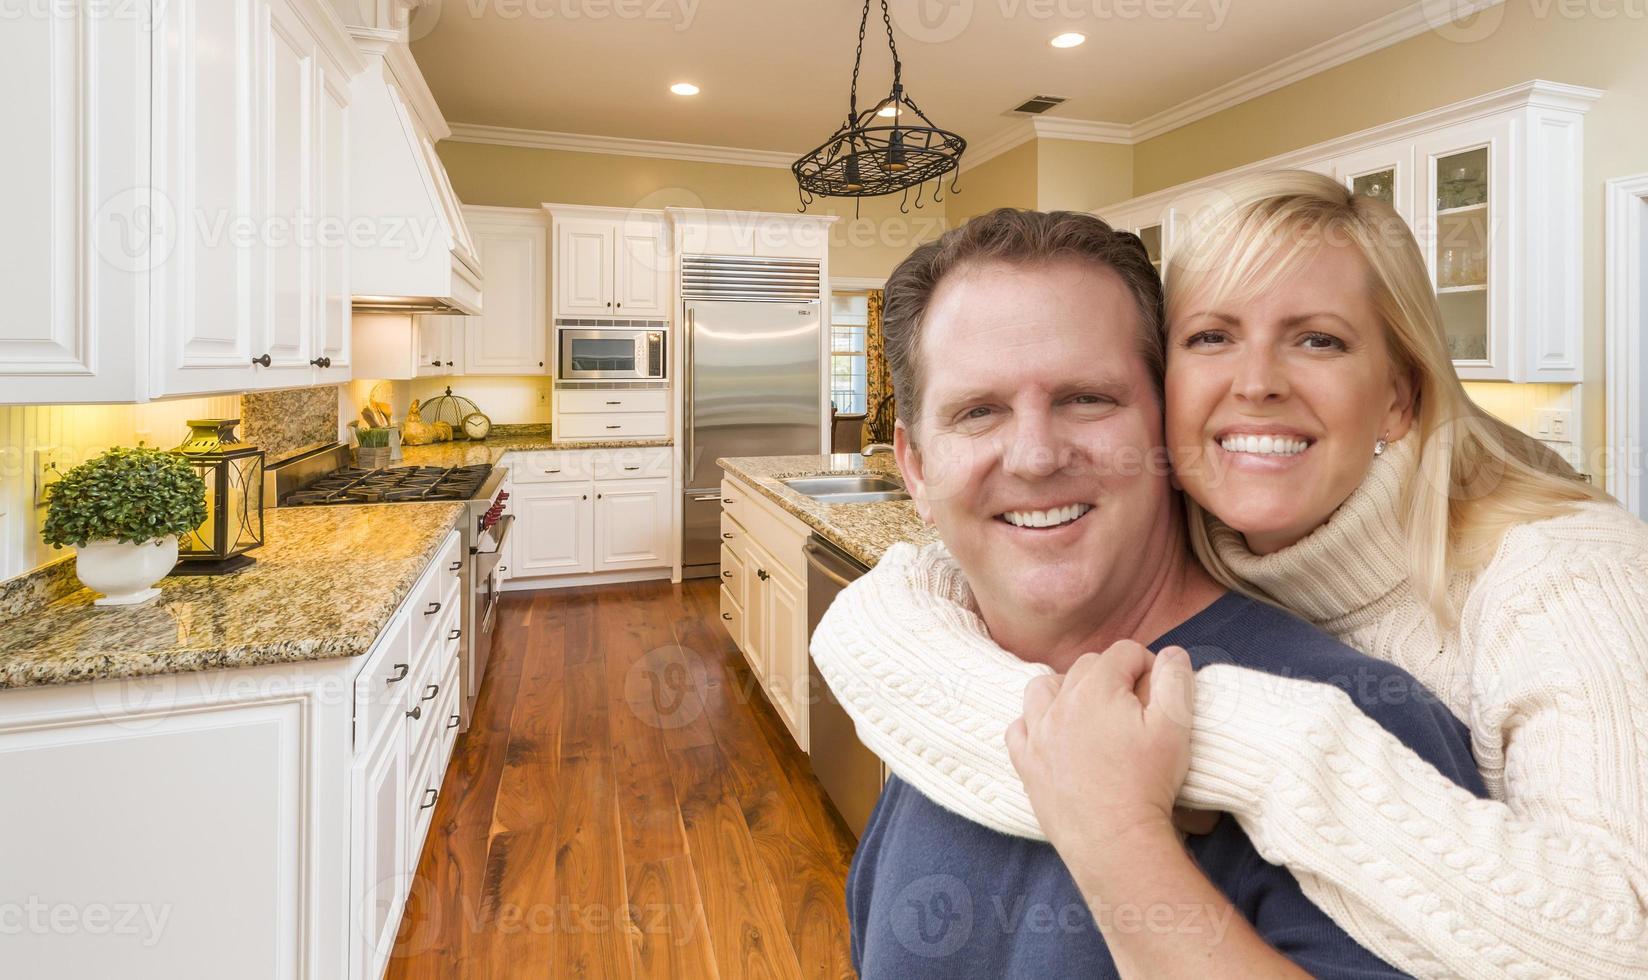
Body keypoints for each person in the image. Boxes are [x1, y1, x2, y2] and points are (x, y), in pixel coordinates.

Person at [813, 173, 1648, 978]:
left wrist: (1184, 784)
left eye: (1088, 399)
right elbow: (881, 621)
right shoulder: (948, 683)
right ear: (913, 469)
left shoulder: (1539, 592)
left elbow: (1621, 945)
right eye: (977, 411)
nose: (1035, 456)